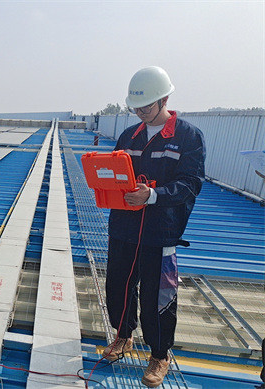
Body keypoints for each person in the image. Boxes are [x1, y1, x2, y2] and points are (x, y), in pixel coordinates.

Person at [102, 66, 205, 388]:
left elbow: (191, 183)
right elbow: (114, 171)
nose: (140, 113)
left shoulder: (187, 136)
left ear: (164, 99)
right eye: (135, 108)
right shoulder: (128, 135)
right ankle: (123, 336)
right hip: (123, 226)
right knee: (118, 286)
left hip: (160, 230)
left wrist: (154, 195)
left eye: (146, 107)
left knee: (158, 295)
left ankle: (160, 354)